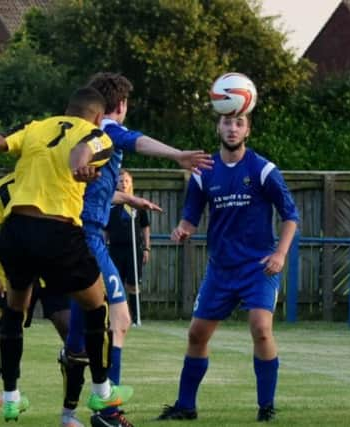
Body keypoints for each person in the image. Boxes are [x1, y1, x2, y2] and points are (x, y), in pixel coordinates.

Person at [63, 72, 212, 427]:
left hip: (70, 234)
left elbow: (89, 191)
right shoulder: (107, 130)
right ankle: (108, 412)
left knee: (79, 338)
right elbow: (139, 142)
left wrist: (129, 198)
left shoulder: (74, 135)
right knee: (120, 320)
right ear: (120, 105)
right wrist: (178, 155)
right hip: (89, 238)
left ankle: (68, 415)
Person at [0, 87, 133, 422]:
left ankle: (11, 396)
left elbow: (3, 144)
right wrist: (78, 168)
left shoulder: (37, 127)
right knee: (96, 304)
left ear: (66, 108)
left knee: (14, 311)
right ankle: (103, 393)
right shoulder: (98, 134)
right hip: (58, 230)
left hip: (15, 229)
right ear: (98, 115)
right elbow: (80, 154)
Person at [156, 111, 299, 423]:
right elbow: (191, 217)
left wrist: (280, 254)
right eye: (226, 122)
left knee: (261, 329)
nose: (232, 128)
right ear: (217, 127)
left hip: (258, 267)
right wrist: (182, 230)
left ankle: (266, 407)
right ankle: (185, 406)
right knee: (196, 334)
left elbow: (290, 216)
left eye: (239, 123)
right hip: (220, 269)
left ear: (248, 130)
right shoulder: (203, 171)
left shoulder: (263, 169)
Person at [105, 169, 151, 326]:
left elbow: (145, 227)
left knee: (133, 284)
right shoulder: (110, 204)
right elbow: (105, 229)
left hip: (133, 249)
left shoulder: (137, 204)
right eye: (120, 181)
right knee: (114, 283)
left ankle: (136, 318)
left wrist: (146, 248)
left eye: (126, 181)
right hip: (115, 249)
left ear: (131, 183)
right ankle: (114, 318)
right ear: (115, 184)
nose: (123, 184)